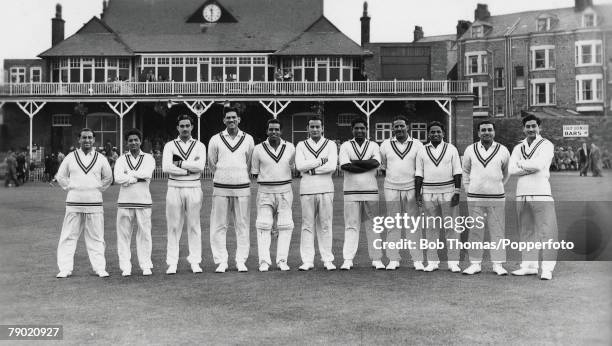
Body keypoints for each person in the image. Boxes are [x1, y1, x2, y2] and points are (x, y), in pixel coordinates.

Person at [55, 128, 113, 278]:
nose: (87, 140)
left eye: (90, 138)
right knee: (68, 235)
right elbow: (61, 176)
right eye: (84, 138)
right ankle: (65, 268)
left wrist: (97, 189)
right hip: (74, 202)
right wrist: (71, 187)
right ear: (79, 140)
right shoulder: (70, 157)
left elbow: (108, 178)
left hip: (94, 202)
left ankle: (100, 268)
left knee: (96, 237)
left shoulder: (101, 158)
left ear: (94, 140)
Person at [509, 115, 558, 280]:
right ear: (523, 128)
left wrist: (521, 164)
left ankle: (547, 268)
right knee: (526, 231)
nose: (531, 129)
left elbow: (539, 165)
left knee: (546, 231)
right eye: (528, 126)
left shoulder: (546, 144)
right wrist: (530, 166)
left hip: (541, 192)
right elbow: (511, 170)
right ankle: (529, 266)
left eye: (534, 126)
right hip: (521, 192)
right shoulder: (518, 147)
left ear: (539, 128)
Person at [208, 108, 255, 273]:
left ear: (239, 119)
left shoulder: (248, 139)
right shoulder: (215, 139)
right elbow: (212, 163)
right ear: (224, 120)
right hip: (221, 188)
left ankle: (240, 260)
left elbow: (249, 163)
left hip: (242, 188)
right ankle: (221, 261)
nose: (231, 120)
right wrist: (223, 175)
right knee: (219, 225)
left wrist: (240, 175)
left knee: (242, 225)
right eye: (228, 118)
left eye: (234, 117)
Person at [462, 121, 510, 276]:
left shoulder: (503, 150)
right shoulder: (470, 149)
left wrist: (497, 186)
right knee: (476, 230)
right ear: (478, 133)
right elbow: (465, 171)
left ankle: (498, 264)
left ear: (494, 132)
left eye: (489, 130)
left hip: (496, 197)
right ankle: (475, 264)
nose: (486, 132)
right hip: (475, 197)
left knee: (497, 230)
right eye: (483, 130)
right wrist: (469, 189)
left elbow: (507, 173)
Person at [379, 116, 425, 271]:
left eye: (401, 126)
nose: (399, 129)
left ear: (408, 127)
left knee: (413, 225)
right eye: (396, 127)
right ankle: (393, 259)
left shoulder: (418, 145)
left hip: (411, 188)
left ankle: (417, 259)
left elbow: (420, 169)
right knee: (393, 223)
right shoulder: (385, 144)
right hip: (391, 187)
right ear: (393, 129)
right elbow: (384, 164)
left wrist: (419, 192)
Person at [415, 121, 463, 273]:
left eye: (438, 132)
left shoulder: (451, 149)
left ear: (443, 133)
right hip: (428, 192)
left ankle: (453, 262)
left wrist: (456, 191)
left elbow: (457, 171)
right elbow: (419, 173)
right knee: (431, 228)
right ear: (428, 134)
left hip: (448, 191)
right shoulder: (422, 150)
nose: (435, 134)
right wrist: (418, 194)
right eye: (432, 132)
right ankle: (432, 261)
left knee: (452, 227)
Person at [162, 114, 207, 274]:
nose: (185, 129)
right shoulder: (170, 145)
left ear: (192, 127)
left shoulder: (200, 145)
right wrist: (190, 168)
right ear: (177, 127)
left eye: (188, 126)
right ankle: (172, 262)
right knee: (173, 226)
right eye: (182, 126)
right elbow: (166, 168)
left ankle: (195, 261)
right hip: (174, 188)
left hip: (194, 188)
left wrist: (180, 164)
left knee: (194, 225)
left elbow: (200, 166)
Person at [338, 117, 383, 270]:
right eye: (356, 128)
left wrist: (354, 162)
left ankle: (376, 259)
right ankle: (348, 259)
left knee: (373, 226)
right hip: (351, 191)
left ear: (366, 129)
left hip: (371, 191)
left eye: (362, 128)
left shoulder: (373, 145)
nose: (359, 131)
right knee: (351, 225)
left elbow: (376, 163)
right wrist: (365, 164)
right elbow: (345, 165)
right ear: (352, 130)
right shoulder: (345, 145)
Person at [251, 119, 296, 272]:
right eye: (271, 129)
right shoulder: (258, 149)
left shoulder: (290, 147)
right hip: (265, 192)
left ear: (281, 131)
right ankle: (264, 261)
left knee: (285, 226)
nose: (274, 132)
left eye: (277, 129)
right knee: (263, 225)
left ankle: (282, 260)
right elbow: (255, 172)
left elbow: (294, 169)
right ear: (267, 131)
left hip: (285, 191)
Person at [295, 116, 338, 271]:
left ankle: (327, 259)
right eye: (312, 127)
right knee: (307, 225)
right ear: (308, 128)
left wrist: (310, 169)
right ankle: (307, 261)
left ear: (322, 128)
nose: (314, 129)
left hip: (326, 188)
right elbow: (299, 166)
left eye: (317, 127)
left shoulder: (331, 144)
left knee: (326, 224)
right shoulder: (301, 144)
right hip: (307, 189)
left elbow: (332, 166)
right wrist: (320, 161)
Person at [114, 128, 156, 276]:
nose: (133, 143)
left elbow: (147, 173)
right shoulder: (121, 159)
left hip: (143, 201)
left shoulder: (149, 158)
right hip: (125, 202)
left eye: (136, 140)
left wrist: (128, 175)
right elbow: (118, 178)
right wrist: (135, 178)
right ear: (127, 143)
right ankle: (125, 266)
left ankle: (145, 265)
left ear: (140, 141)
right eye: (130, 140)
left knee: (145, 233)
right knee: (124, 235)